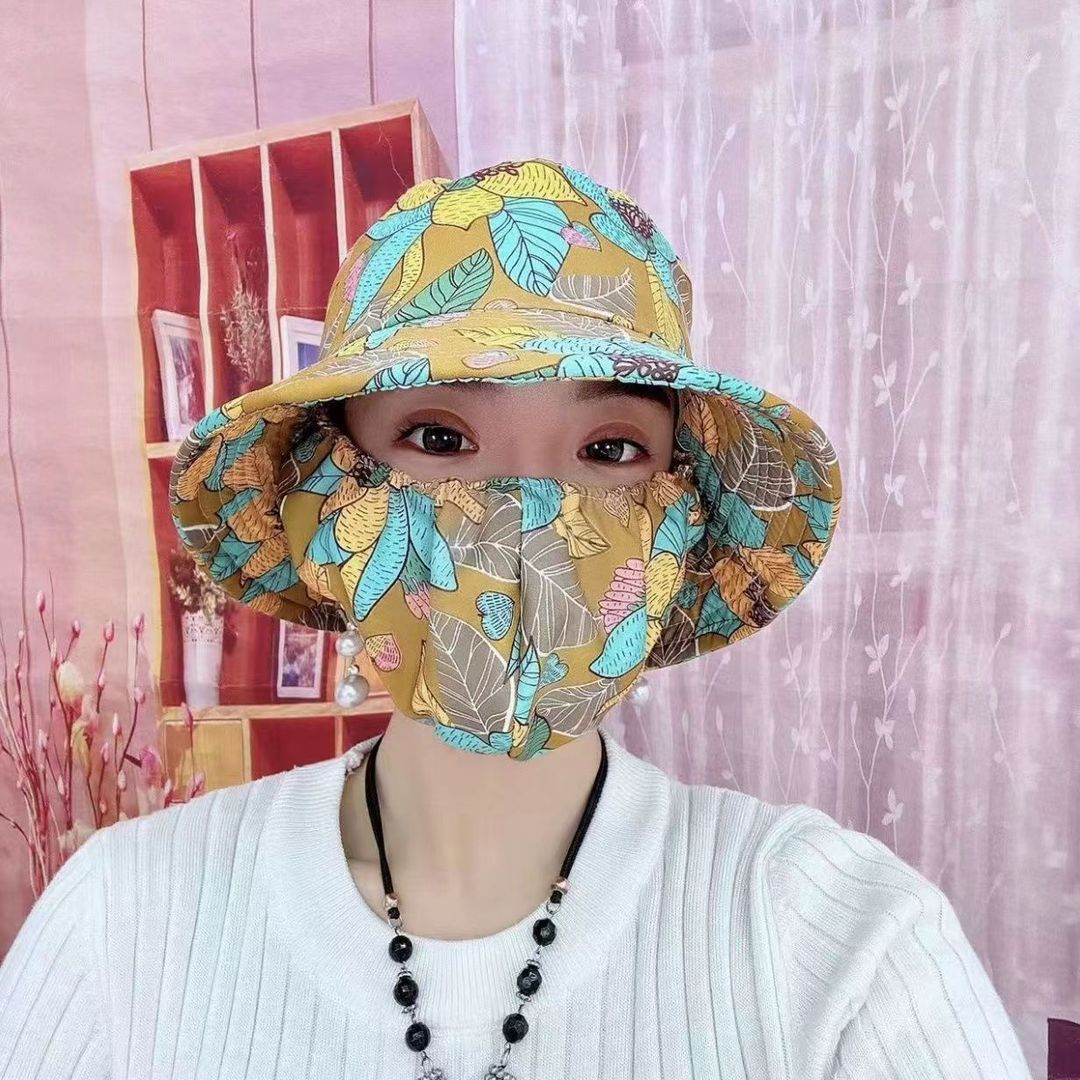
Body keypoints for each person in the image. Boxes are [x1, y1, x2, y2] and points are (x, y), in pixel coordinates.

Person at [0, 158, 1031, 1079]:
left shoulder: (844, 944)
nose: (527, 521)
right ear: (325, 495)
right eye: (439, 435)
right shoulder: (123, 925)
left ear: (680, 523)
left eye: (611, 450)